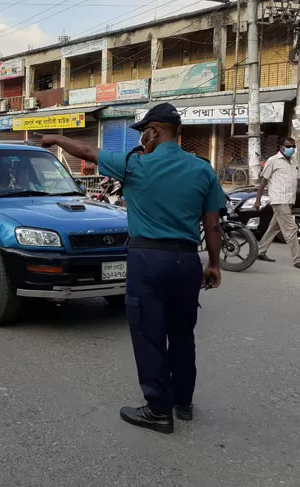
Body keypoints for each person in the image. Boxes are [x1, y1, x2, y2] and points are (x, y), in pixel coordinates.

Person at [41, 102, 225, 434]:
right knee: (182, 335)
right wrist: (213, 263)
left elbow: (86, 149)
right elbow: (212, 226)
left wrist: (54, 138)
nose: (141, 139)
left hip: (147, 260)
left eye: (143, 132)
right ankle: (183, 403)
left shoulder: (134, 166)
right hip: (186, 261)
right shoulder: (202, 169)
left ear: (155, 130)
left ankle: (158, 410)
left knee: (149, 335)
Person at [254, 137, 300, 268]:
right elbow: (263, 181)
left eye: (293, 147)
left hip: (289, 199)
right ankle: (298, 260)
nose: (291, 149)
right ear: (281, 147)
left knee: (274, 227)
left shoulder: (293, 161)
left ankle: (260, 251)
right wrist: (257, 200)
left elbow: (297, 178)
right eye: (288, 146)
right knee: (291, 229)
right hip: (279, 200)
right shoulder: (273, 160)